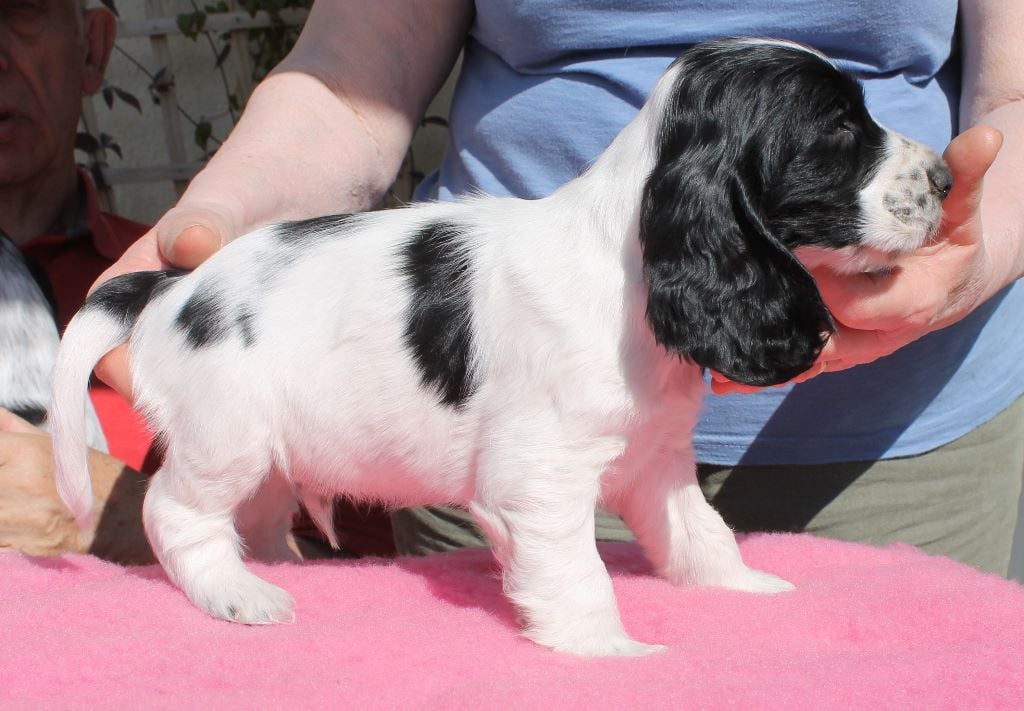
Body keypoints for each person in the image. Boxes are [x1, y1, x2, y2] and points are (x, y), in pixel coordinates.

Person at [92, 0, 1024, 574]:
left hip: (906, 444)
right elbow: (350, 76)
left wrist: (970, 260)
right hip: (488, 408)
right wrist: (230, 209)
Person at [0, 0, 155, 561]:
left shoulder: (199, 291)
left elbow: (342, 568)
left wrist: (128, 521)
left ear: (92, 48)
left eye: (20, 9)